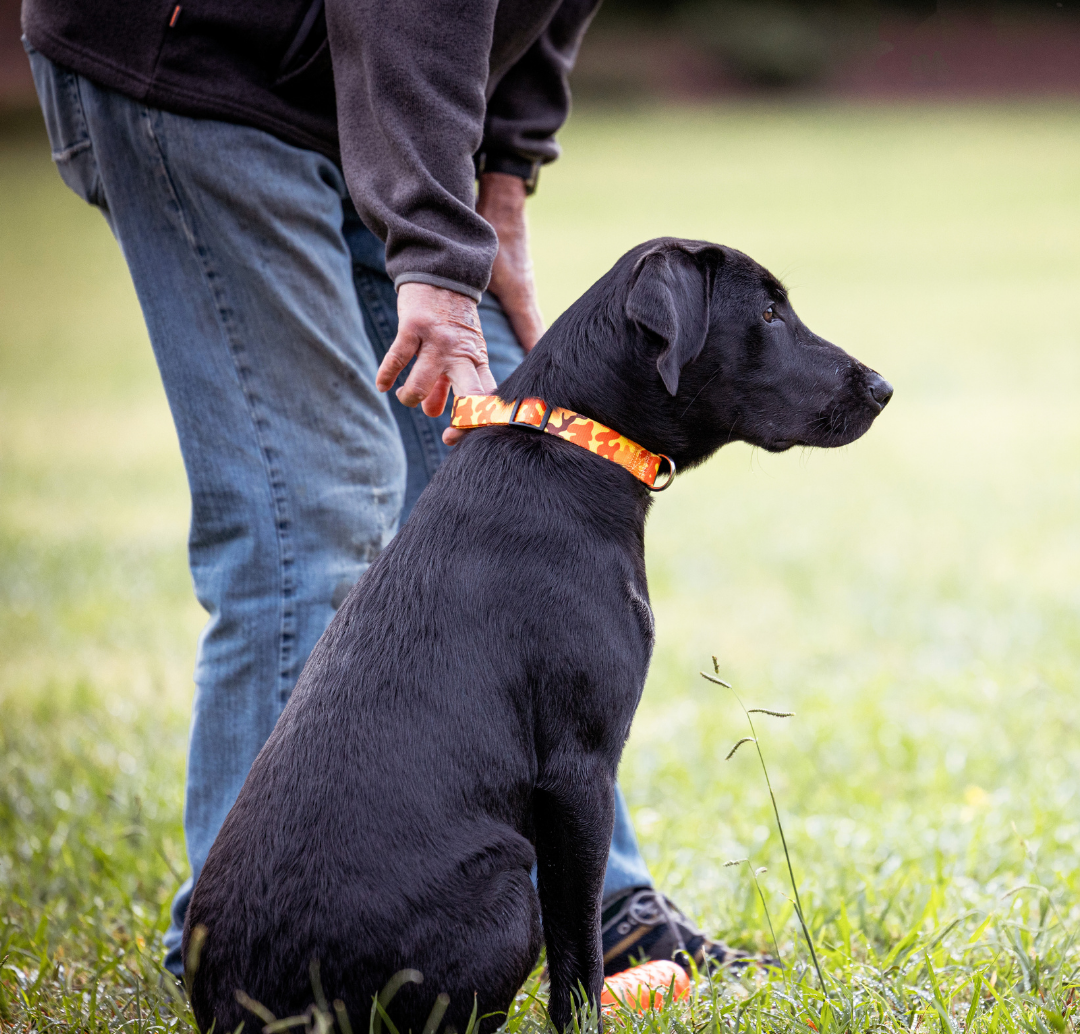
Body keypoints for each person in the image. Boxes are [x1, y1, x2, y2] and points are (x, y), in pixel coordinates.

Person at [22, 0, 754, 983]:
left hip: (394, 117)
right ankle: (248, 958)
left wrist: (503, 171)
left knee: (521, 482)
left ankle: (600, 906)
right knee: (310, 508)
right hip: (207, 73)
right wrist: (435, 256)